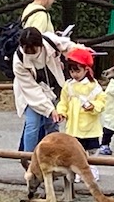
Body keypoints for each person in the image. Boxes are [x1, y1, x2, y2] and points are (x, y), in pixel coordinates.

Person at [13, 27, 83, 155]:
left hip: (53, 86)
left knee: (52, 124)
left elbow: (67, 46)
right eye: (26, 49)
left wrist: (81, 52)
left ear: (40, 44)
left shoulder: (49, 41)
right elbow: (31, 90)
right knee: (32, 125)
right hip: (31, 93)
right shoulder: (19, 60)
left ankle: (53, 157)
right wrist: (49, 109)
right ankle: (29, 159)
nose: (30, 53)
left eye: (33, 49)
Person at [56, 48, 106, 181]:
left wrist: (93, 106)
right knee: (76, 150)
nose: (74, 74)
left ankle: (92, 170)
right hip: (74, 126)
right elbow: (63, 101)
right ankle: (78, 170)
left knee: (92, 149)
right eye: (71, 71)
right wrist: (62, 112)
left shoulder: (93, 86)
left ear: (86, 69)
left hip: (90, 126)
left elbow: (102, 100)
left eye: (77, 70)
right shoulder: (68, 85)